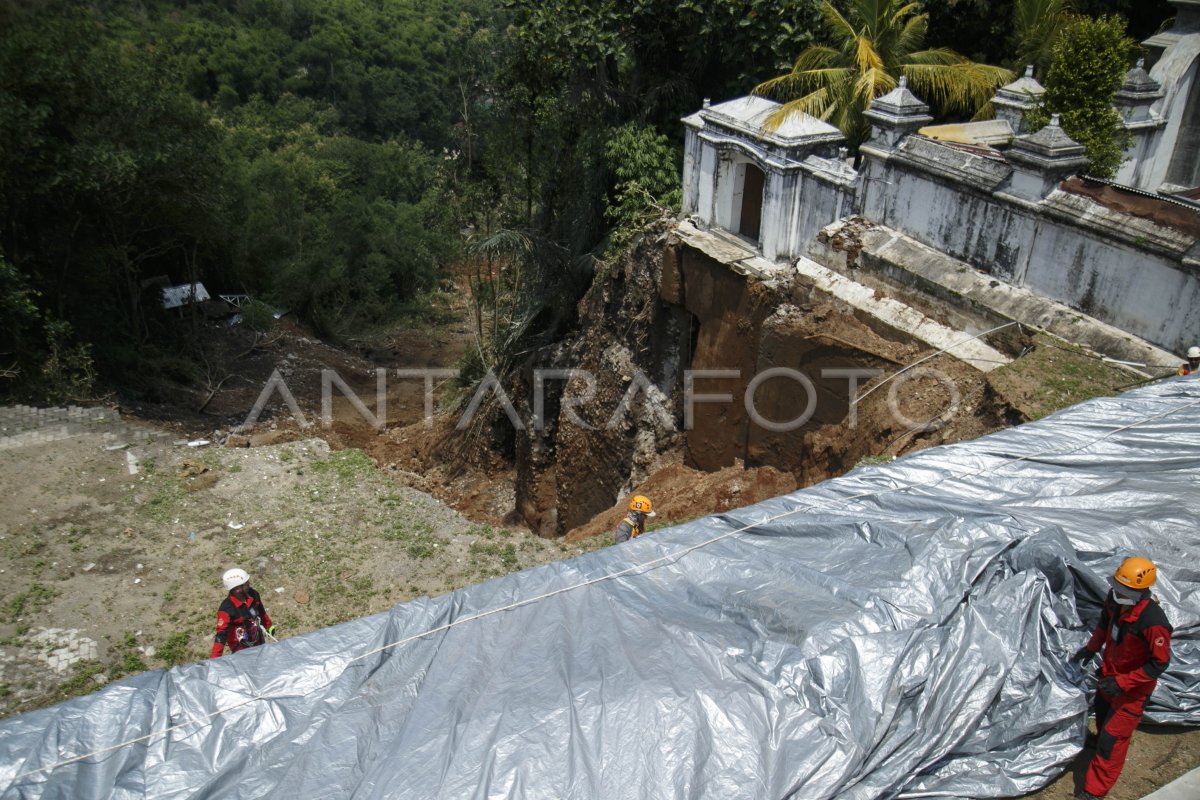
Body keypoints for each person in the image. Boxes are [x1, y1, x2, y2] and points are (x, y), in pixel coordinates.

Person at [1071, 556, 1172, 800]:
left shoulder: (1153, 622)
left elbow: (1160, 663)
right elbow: (1104, 626)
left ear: (1141, 591)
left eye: (1125, 590)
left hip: (1132, 690)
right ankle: (1097, 742)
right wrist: (1091, 648)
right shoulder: (1115, 601)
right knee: (1103, 714)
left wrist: (1123, 683)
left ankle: (1094, 791)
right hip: (1110, 676)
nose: (1118, 592)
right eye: (1117, 587)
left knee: (1112, 741)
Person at [210, 567, 275, 658]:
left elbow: (261, 611)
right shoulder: (226, 610)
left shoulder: (253, 594)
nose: (249, 584)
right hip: (241, 648)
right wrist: (214, 660)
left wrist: (269, 626)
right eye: (245, 583)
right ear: (237, 589)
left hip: (258, 640)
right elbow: (221, 636)